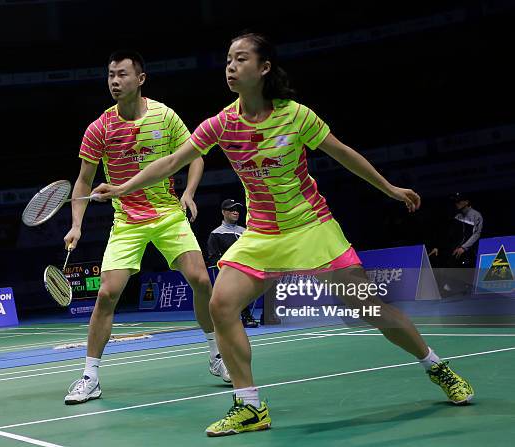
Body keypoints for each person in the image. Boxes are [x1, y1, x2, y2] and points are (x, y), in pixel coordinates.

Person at [90, 33, 474, 436]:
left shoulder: (295, 115)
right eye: (227, 61)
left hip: (311, 226)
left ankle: (435, 366)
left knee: (369, 309)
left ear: (264, 68)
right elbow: (171, 161)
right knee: (221, 302)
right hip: (262, 234)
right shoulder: (222, 123)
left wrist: (390, 189)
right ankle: (250, 405)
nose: (231, 67)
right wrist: (121, 188)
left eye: (240, 60)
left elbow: (343, 153)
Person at [63, 50, 230, 406]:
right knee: (107, 294)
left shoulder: (165, 116)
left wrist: (188, 192)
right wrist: (76, 225)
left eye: (122, 74)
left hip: (168, 212)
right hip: (126, 220)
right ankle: (90, 376)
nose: (114, 81)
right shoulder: (99, 128)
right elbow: (83, 182)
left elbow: (195, 155)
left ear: (140, 79)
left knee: (202, 280)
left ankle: (217, 355)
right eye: (110, 75)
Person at [207, 199, 257, 327]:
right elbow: (213, 257)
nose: (235, 212)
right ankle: (245, 316)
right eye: (231, 209)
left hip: (247, 268)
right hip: (228, 271)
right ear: (223, 212)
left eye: (237, 210)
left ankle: (267, 315)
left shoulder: (245, 232)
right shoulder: (216, 234)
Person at [428, 192, 483, 294]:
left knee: (461, 262)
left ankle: (463, 287)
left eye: (459, 201)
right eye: (456, 202)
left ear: (466, 202)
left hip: (471, 250)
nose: (456, 203)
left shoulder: (476, 215)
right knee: (439, 258)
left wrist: (463, 248)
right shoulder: (457, 216)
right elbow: (450, 236)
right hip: (456, 249)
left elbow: (476, 235)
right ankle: (444, 288)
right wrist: (438, 247)